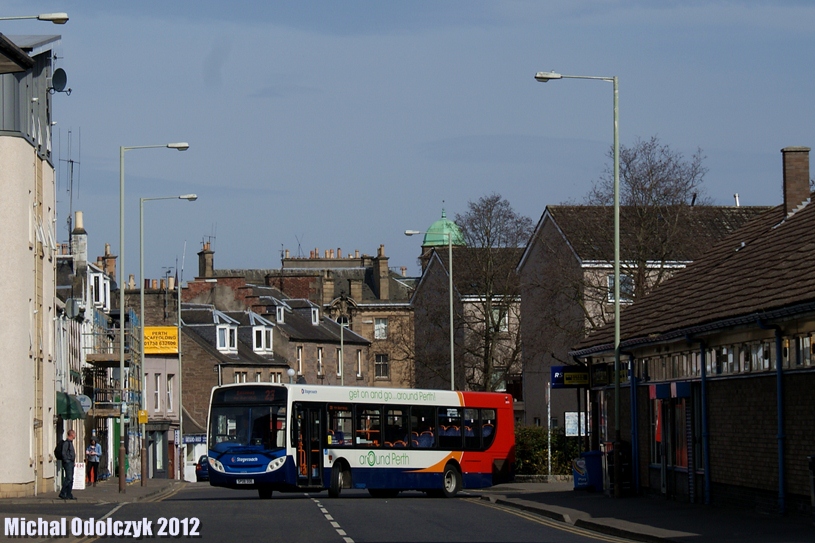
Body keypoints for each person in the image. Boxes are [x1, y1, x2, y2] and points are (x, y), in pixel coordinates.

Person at [58, 429, 77, 500]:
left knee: (71, 479)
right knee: (68, 478)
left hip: (71, 462)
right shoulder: (66, 443)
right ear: (71, 435)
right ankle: (62, 493)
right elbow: (64, 453)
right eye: (74, 434)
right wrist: (66, 461)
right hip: (68, 462)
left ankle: (69, 494)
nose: (75, 435)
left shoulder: (70, 443)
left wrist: (73, 461)